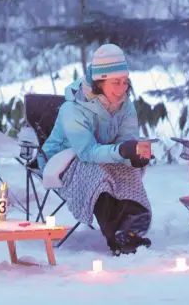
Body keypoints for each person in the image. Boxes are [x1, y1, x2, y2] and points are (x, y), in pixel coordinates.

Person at [39, 43, 153, 255]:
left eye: (125, 82)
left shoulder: (125, 106)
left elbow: (125, 142)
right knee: (96, 173)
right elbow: (87, 152)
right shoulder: (72, 109)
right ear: (99, 82)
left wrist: (134, 156)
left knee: (127, 170)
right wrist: (121, 151)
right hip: (61, 159)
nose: (122, 89)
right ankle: (116, 235)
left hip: (100, 153)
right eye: (115, 83)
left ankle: (133, 225)